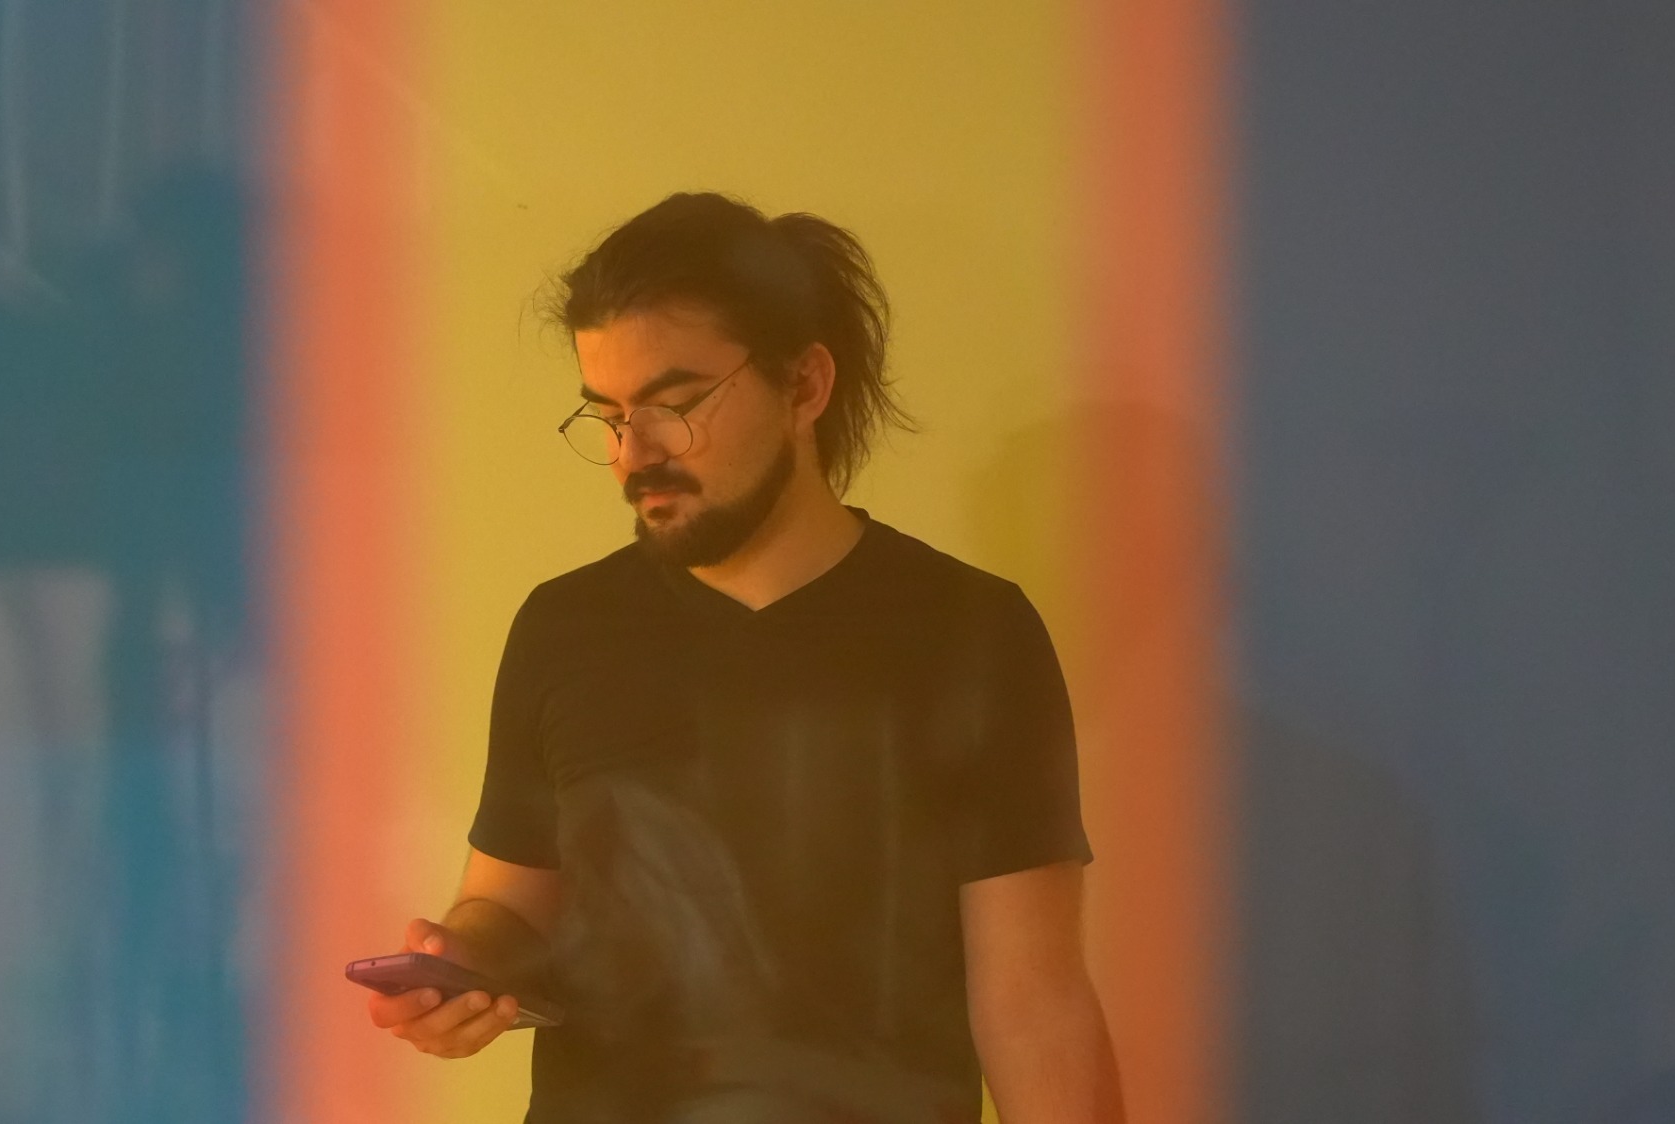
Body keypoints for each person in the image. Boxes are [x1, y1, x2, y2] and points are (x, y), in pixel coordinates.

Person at [366, 192, 1123, 1123]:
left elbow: (1034, 1004)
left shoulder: (970, 633)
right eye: (607, 415)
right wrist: (464, 965)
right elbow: (510, 905)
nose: (633, 454)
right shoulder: (565, 628)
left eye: (674, 405)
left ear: (804, 385)